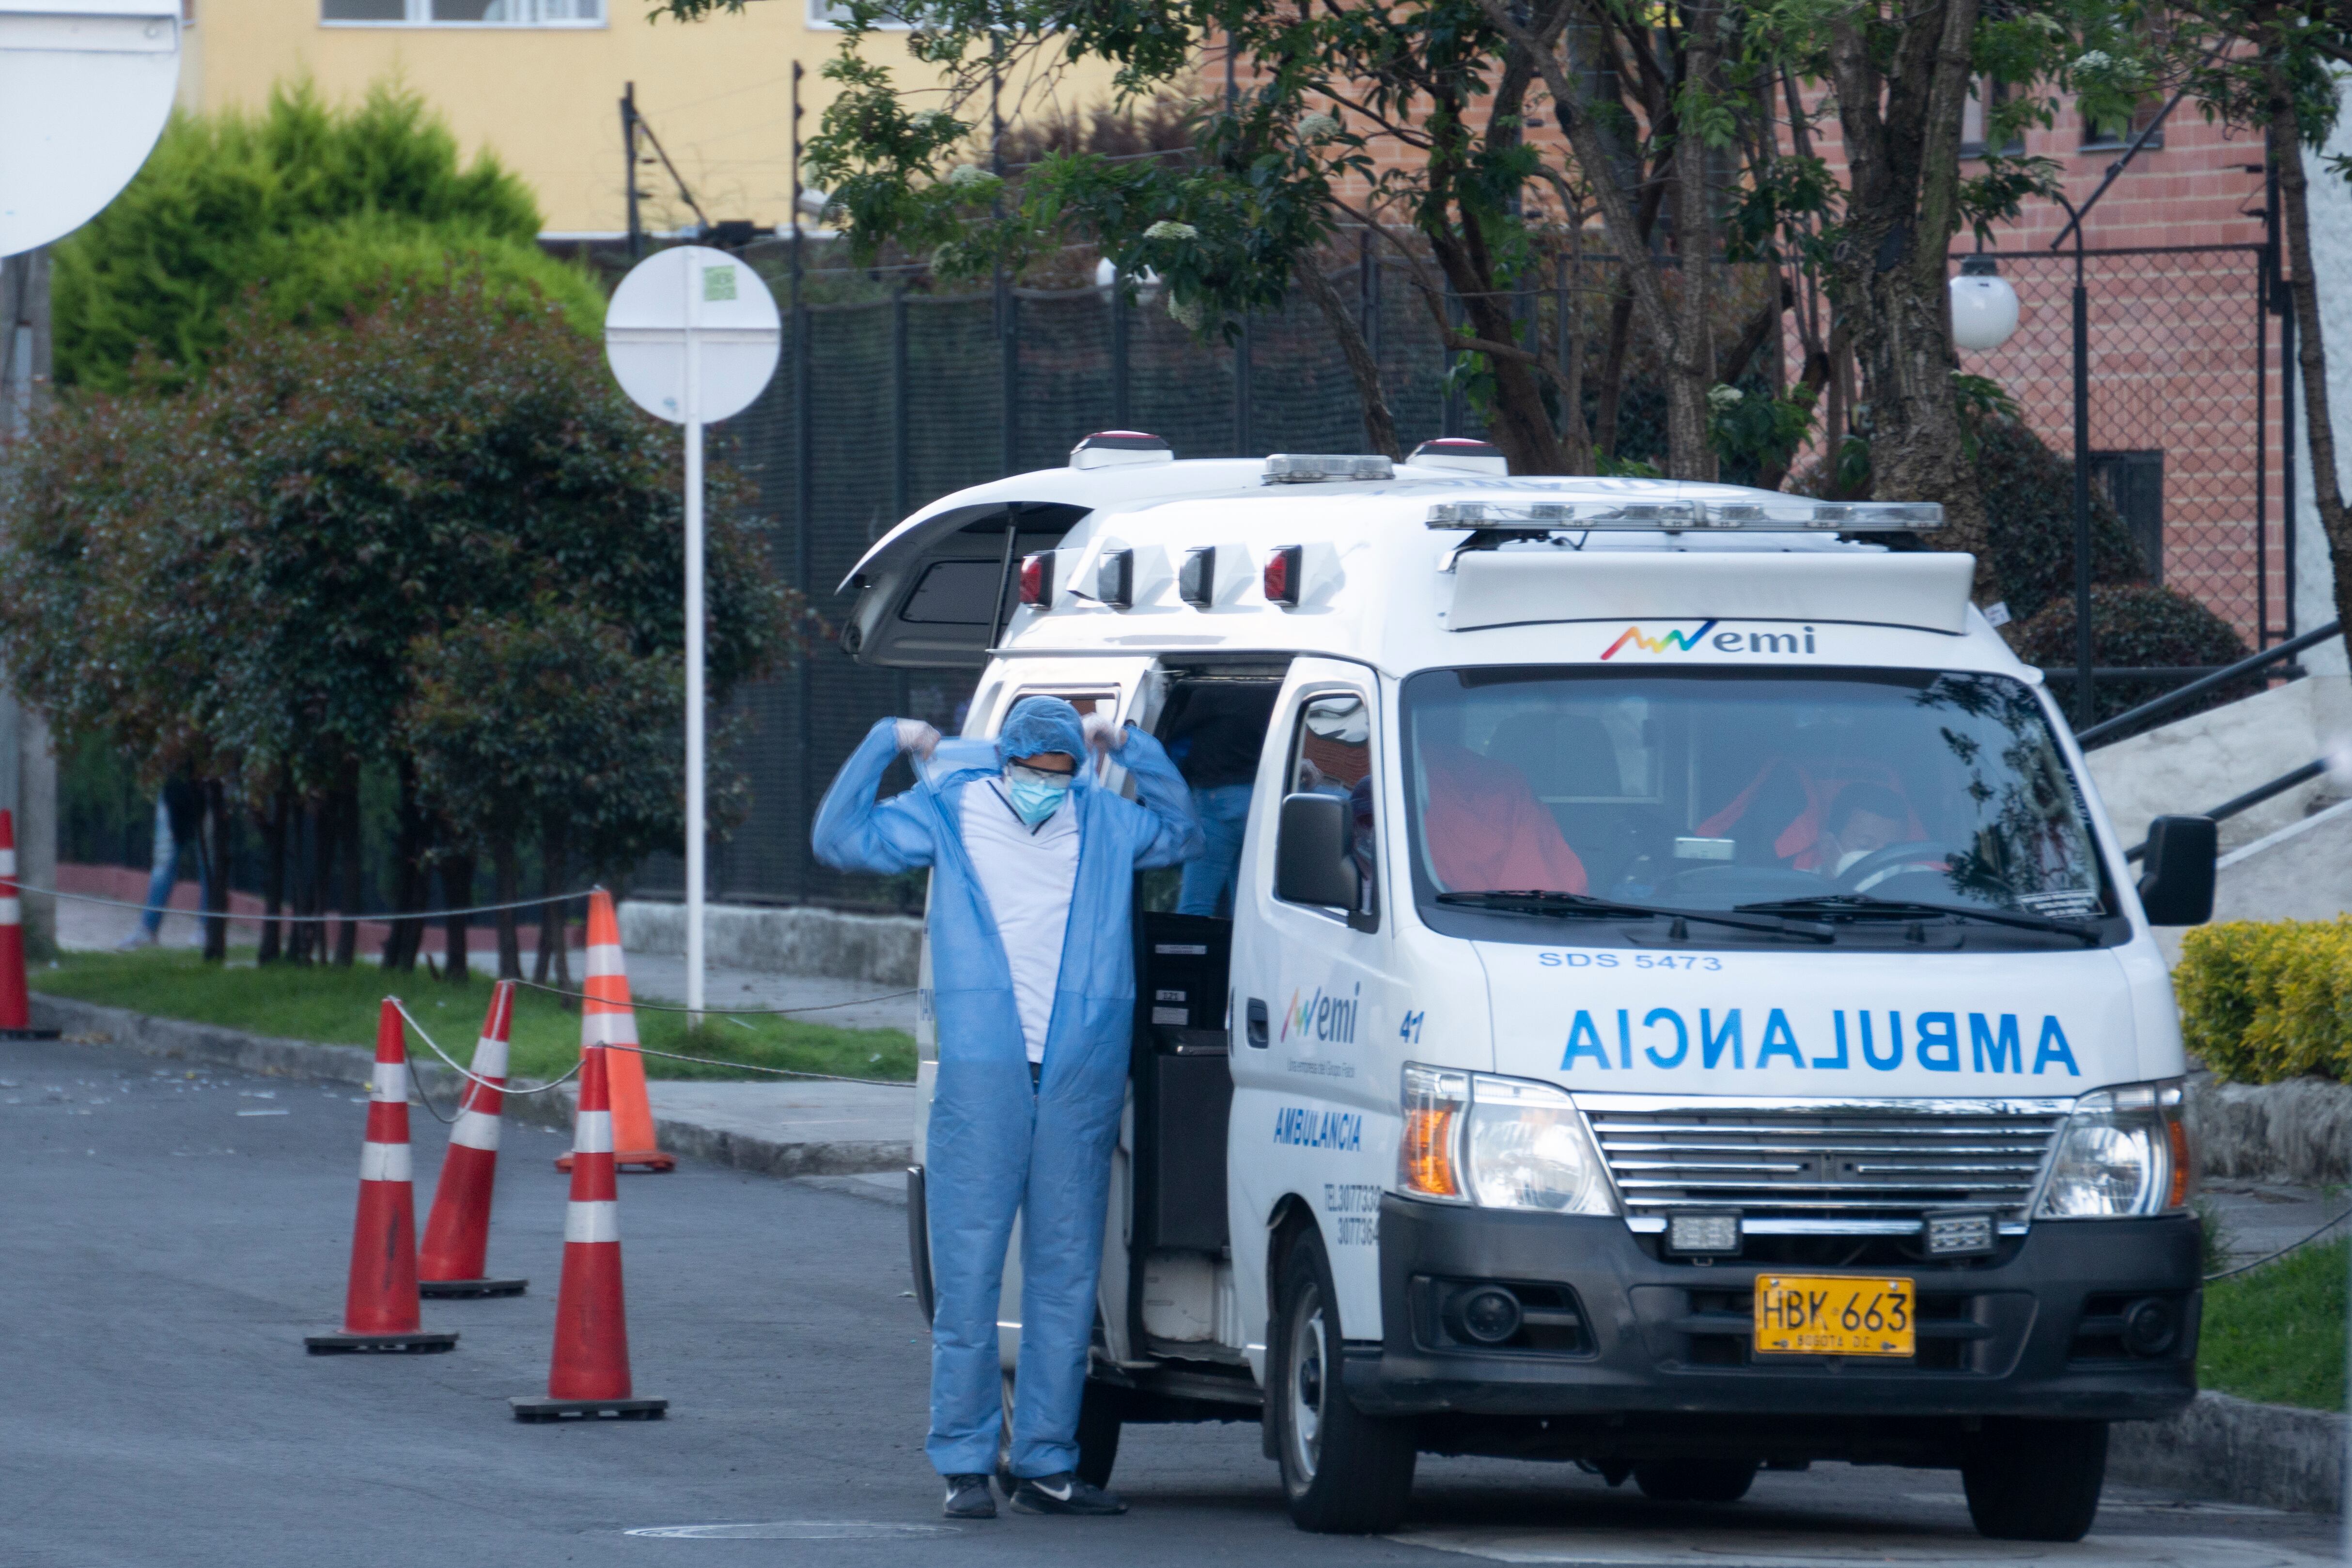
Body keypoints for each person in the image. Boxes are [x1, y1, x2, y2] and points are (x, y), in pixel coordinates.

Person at [812, 697, 1201, 1522]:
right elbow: (837, 838)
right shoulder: (951, 809)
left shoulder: (1104, 819)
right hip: (985, 1072)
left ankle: (1047, 1464)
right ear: (1005, 763)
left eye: (1061, 774)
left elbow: (1187, 831)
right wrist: (888, 737)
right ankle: (963, 1461)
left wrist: (1129, 744)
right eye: (1032, 773)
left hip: (1079, 1074)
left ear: (1080, 769)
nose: (1045, 789)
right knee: (969, 1273)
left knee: (1065, 1278)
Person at [1161, 683, 1277, 917]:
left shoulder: (1210, 692)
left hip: (1218, 803)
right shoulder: (1275, 693)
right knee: (1246, 906)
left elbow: (1169, 730)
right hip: (1262, 802)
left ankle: (1188, 953)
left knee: (1196, 905)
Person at [117, 777, 207, 951]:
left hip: (209, 786)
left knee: (210, 864)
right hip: (173, 788)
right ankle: (147, 931)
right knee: (164, 862)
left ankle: (208, 930)